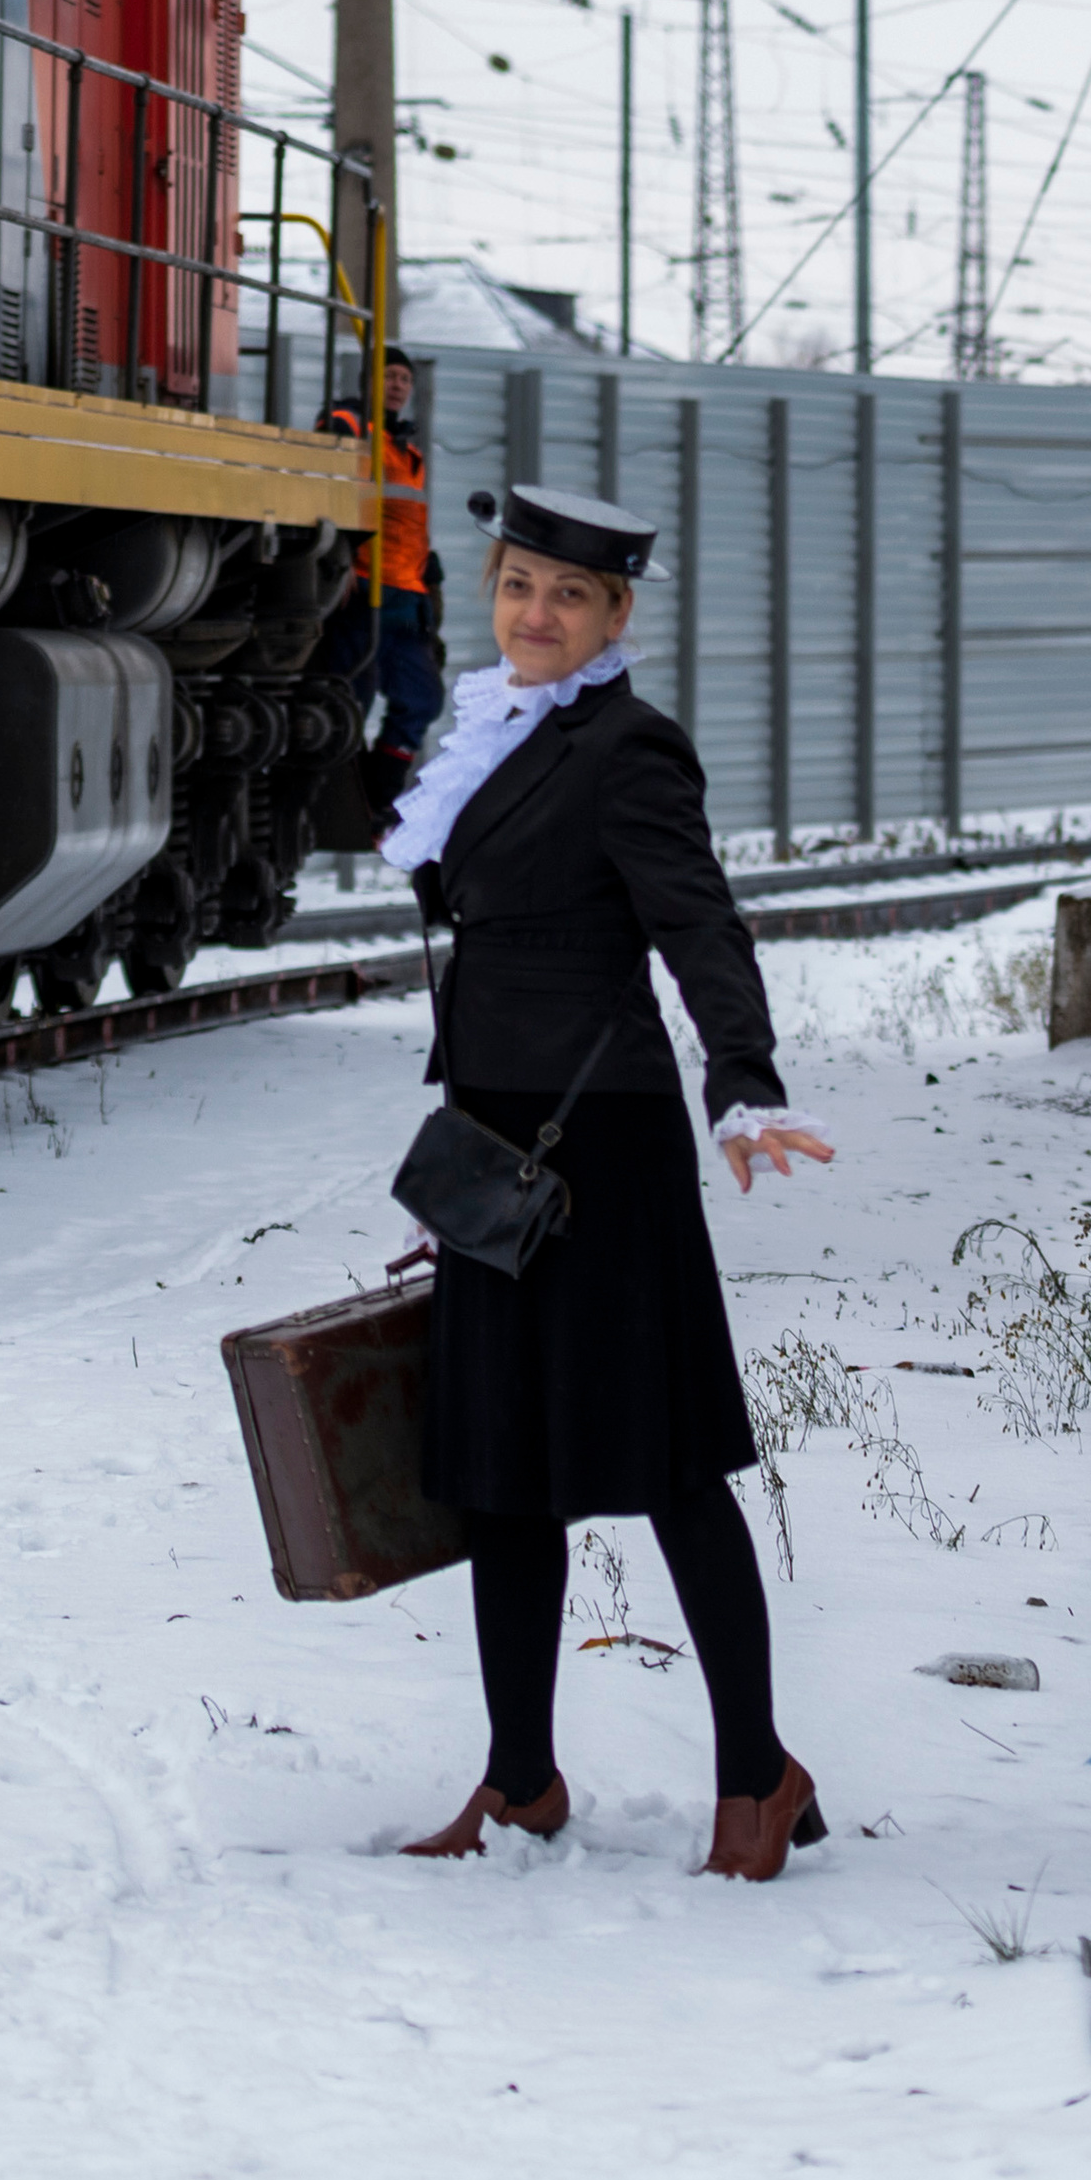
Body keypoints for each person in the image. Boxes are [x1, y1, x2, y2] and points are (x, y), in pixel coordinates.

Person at [377, 480, 837, 1882]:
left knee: (670, 1471)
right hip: (490, 1142)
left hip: (602, 1152)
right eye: (519, 586)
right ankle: (522, 1780)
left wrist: (744, 1082)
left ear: (616, 615)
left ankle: (756, 1776)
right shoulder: (490, 736)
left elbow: (701, 925)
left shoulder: (630, 749)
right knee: (499, 1480)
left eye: (569, 597)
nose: (537, 614)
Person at [320, 342, 443, 819]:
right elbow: (325, 488)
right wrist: (339, 556)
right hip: (363, 595)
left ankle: (375, 798)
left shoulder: (408, 453)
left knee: (423, 699)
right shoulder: (350, 425)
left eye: (404, 379)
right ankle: (339, 803)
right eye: (389, 376)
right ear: (368, 382)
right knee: (353, 700)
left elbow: (408, 528)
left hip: (404, 600)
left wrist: (429, 581)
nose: (398, 386)